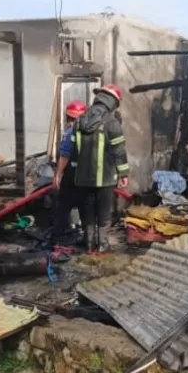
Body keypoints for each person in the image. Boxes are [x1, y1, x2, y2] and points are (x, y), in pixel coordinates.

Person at [55, 84, 129, 255]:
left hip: (82, 178)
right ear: (112, 102)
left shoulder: (79, 121)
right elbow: (119, 151)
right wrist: (123, 173)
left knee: (87, 212)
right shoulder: (112, 122)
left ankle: (89, 246)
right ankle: (102, 246)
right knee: (103, 211)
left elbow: (71, 152)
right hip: (106, 178)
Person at [49, 100, 87, 254]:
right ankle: (89, 240)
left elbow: (64, 155)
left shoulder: (70, 133)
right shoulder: (93, 131)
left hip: (72, 177)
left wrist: (57, 175)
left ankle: (56, 240)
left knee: (64, 207)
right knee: (87, 210)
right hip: (88, 178)